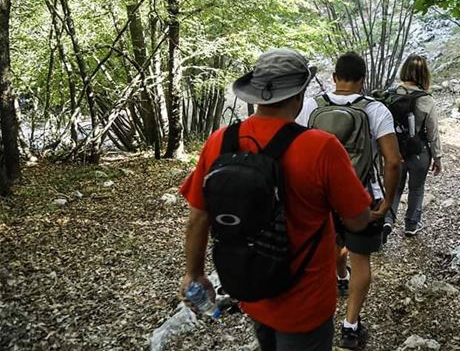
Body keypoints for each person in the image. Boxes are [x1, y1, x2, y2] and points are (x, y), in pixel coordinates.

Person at [178, 48, 372, 351]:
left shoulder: (221, 141)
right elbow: (358, 219)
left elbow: (197, 217)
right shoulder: (322, 147)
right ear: (300, 92)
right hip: (306, 302)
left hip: (252, 287)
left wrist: (193, 273)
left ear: (256, 93)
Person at [310, 52, 402, 350]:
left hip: (320, 197)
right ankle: (350, 326)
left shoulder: (312, 105)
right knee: (361, 259)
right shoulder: (375, 110)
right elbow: (393, 161)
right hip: (363, 195)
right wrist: (387, 202)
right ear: (362, 80)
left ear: (335, 77)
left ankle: (338, 279)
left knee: (331, 247)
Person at [384, 54, 443, 237]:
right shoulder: (427, 99)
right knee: (416, 188)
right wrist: (438, 157)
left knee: (394, 188)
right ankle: (411, 224)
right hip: (419, 152)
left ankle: (387, 221)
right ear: (424, 74)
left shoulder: (390, 95)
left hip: (395, 150)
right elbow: (432, 132)